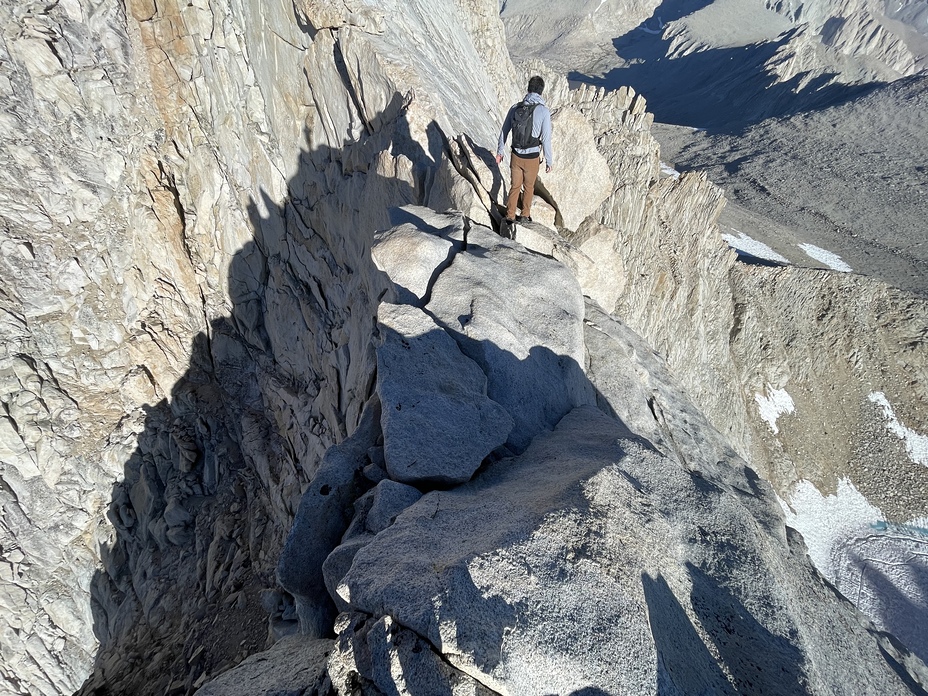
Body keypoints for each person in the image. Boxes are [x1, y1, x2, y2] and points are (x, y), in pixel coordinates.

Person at [496, 75, 553, 224]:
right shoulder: (543, 111)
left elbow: (504, 130)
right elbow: (546, 139)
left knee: (515, 186)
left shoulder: (516, 107)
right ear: (541, 91)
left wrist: (500, 152)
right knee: (528, 187)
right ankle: (525, 215)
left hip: (516, 155)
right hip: (532, 157)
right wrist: (549, 161)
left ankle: (509, 216)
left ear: (528, 89)